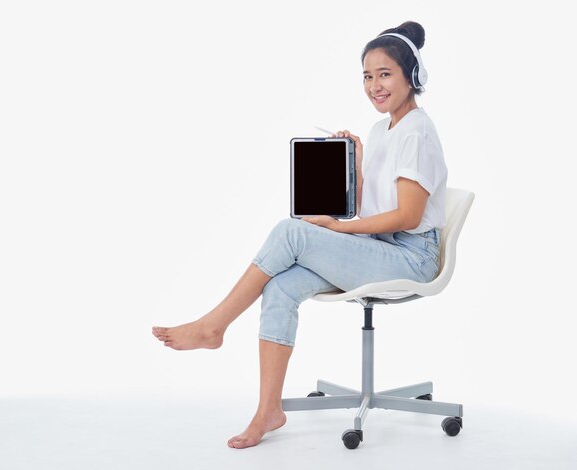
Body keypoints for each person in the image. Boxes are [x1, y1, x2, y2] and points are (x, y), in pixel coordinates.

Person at [152, 20, 447, 449]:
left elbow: (405, 216)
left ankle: (213, 325)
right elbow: (371, 209)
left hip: (411, 257)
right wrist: (358, 163)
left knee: (290, 232)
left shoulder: (417, 131)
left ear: (411, 76)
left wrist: (338, 228)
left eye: (385, 74)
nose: (374, 85)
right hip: (379, 249)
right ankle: (268, 410)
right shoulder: (383, 130)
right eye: (367, 76)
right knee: (283, 286)